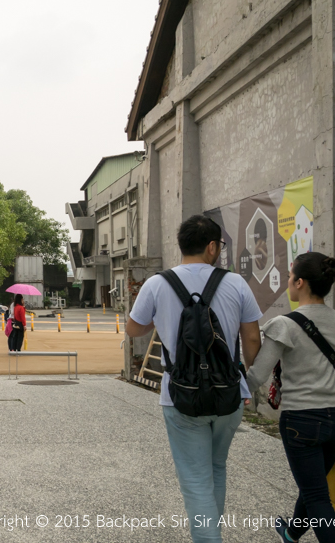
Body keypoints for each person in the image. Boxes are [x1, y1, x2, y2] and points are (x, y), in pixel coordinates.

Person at [127, 214, 262, 543]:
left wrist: (162, 319)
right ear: (212, 247)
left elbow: (134, 328)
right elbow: (253, 341)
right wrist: (246, 381)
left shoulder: (158, 284)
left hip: (180, 396)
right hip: (228, 395)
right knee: (216, 467)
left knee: (195, 480)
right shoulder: (235, 284)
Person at [245, 253, 335, 543]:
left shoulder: (284, 324)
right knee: (313, 484)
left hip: (301, 421)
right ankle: (292, 532)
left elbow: (257, 374)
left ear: (300, 282)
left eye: (290, 277)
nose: (288, 282)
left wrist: (236, 392)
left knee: (317, 497)